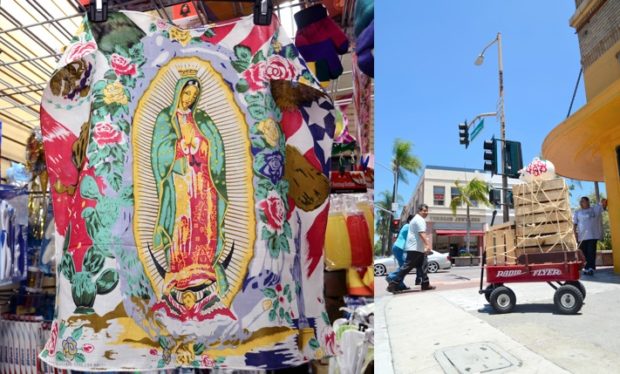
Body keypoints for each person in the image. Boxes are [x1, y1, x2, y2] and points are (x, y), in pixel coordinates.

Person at [151, 75, 230, 309]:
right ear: (178, 92)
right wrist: (178, 148)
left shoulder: (201, 118)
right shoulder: (166, 118)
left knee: (204, 220)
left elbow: (215, 145)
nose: (189, 99)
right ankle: (180, 269)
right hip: (181, 180)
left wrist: (202, 146)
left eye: (194, 96)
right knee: (183, 221)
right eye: (186, 94)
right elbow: (159, 151)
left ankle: (204, 267)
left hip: (203, 180)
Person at [387, 204, 435, 292]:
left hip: (417, 248)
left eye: (427, 211)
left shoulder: (415, 219)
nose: (426, 212)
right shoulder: (419, 220)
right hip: (415, 248)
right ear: (419, 211)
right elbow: (422, 233)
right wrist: (427, 245)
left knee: (423, 265)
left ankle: (425, 284)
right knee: (407, 266)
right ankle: (393, 283)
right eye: (424, 211)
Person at [573, 196, 608, 276]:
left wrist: (604, 201)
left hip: (593, 236)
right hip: (582, 237)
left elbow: (603, 205)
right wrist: (575, 235)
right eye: (580, 202)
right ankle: (586, 268)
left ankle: (591, 268)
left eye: (583, 201)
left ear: (588, 202)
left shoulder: (594, 209)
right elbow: (574, 224)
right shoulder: (577, 212)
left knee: (591, 252)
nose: (581, 203)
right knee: (584, 254)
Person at [386, 215, 414, 289]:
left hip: (399, 248)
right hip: (399, 247)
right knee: (405, 267)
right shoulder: (408, 226)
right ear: (410, 220)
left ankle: (400, 285)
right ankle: (391, 277)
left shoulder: (407, 226)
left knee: (403, 267)